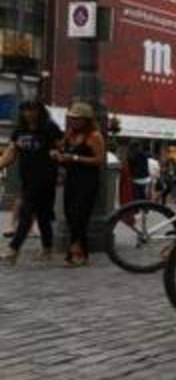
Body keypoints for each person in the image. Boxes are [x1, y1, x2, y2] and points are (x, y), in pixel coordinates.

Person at [0, 101, 62, 264]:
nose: (28, 114)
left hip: (46, 177)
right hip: (27, 178)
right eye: (24, 110)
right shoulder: (20, 131)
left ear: (39, 111)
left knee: (26, 213)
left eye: (31, 110)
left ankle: (13, 249)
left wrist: (58, 154)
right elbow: (10, 153)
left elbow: (61, 148)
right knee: (43, 215)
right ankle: (47, 249)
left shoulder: (49, 128)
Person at [55, 102, 106, 267]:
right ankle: (82, 252)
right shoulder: (70, 134)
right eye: (72, 118)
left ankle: (75, 253)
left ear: (86, 120)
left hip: (88, 181)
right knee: (70, 215)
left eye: (77, 119)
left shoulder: (94, 136)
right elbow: (62, 149)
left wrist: (75, 158)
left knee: (80, 216)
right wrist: (59, 154)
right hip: (72, 179)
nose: (74, 122)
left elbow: (99, 160)